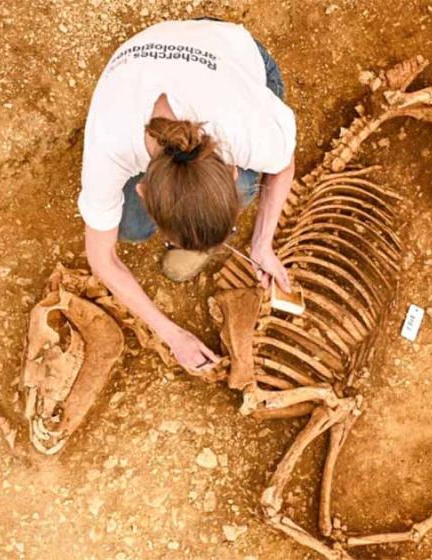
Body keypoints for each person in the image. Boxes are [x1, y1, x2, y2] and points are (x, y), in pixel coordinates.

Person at [78, 19, 296, 372]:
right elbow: (101, 258)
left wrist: (262, 244)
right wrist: (171, 334)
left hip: (232, 53)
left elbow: (283, 166)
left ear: (231, 168)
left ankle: (205, 227)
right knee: (131, 228)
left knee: (241, 191)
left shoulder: (248, 128)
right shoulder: (110, 141)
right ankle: (198, 231)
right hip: (140, 65)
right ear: (144, 189)